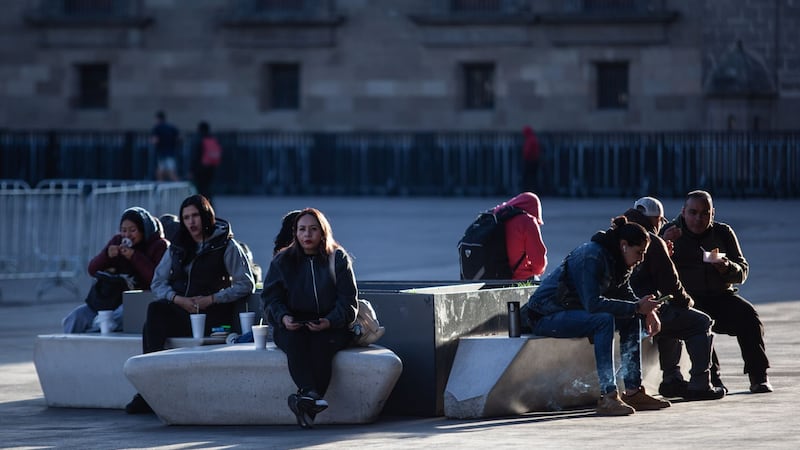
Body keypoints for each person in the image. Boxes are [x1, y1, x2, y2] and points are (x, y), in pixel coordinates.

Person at [521, 216, 671, 416]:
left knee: (631, 318)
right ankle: (608, 395)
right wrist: (636, 307)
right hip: (545, 315)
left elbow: (624, 294)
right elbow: (593, 304)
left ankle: (633, 391)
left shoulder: (618, 259)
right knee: (603, 320)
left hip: (571, 311)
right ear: (624, 245)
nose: (641, 259)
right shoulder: (591, 257)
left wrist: (647, 310)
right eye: (639, 252)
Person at [125, 194, 256, 414]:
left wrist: (212, 298)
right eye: (186, 217)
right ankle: (148, 389)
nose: (191, 222)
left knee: (156, 319)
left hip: (214, 315)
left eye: (195, 216)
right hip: (184, 309)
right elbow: (158, 282)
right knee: (155, 313)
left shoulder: (226, 244)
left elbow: (246, 283)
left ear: (206, 216)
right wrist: (178, 300)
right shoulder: (178, 246)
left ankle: (151, 390)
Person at [662, 190, 772, 394]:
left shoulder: (722, 233)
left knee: (749, 316)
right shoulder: (670, 232)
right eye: (693, 212)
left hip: (720, 296)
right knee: (699, 323)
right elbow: (650, 268)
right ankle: (712, 378)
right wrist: (663, 246)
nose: (698, 219)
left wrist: (726, 267)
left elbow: (742, 270)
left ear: (712, 214)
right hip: (688, 299)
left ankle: (759, 376)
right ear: (683, 212)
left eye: (705, 213)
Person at [261, 208, 358, 429]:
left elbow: (349, 302)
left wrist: (330, 321)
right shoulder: (282, 261)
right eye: (302, 229)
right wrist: (284, 317)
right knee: (296, 342)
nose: (307, 235)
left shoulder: (338, 258)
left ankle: (304, 399)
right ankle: (310, 398)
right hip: (292, 322)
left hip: (331, 323)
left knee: (322, 345)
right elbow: (270, 299)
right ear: (295, 233)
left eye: (313, 229)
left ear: (323, 232)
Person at [624, 197, 725, 400]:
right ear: (657, 219)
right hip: (641, 308)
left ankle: (672, 379)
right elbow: (671, 284)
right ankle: (700, 383)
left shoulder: (622, 234)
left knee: (672, 316)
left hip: (622, 305)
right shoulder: (652, 241)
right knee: (699, 321)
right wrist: (688, 302)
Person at [62, 207, 168, 333]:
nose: (127, 235)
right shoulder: (117, 241)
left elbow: (155, 278)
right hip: (109, 300)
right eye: (123, 230)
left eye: (132, 230)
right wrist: (106, 255)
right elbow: (92, 269)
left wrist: (134, 257)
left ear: (143, 230)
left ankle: (95, 329)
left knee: (119, 316)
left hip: (138, 302)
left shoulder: (158, 246)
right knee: (75, 317)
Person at [494, 192, 547, 280]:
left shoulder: (496, 216)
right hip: (517, 279)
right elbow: (539, 263)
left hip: (491, 275)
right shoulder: (527, 221)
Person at [190, 121, 222, 203]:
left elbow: (194, 156)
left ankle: (203, 205)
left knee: (200, 188)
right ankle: (209, 204)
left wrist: (191, 170)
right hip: (211, 167)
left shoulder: (198, 139)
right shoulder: (212, 138)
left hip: (200, 169)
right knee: (208, 187)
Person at [151, 110, 180, 181]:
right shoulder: (172, 127)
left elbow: (155, 140)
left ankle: (162, 187)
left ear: (158, 118)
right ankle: (176, 184)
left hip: (162, 153)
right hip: (171, 152)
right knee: (166, 171)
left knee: (162, 172)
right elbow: (179, 139)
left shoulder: (157, 128)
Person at [521, 125, 541, 192]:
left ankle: (528, 190)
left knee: (528, 177)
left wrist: (525, 157)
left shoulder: (530, 140)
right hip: (534, 160)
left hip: (530, 161)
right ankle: (533, 189)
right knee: (533, 176)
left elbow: (527, 151)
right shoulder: (533, 139)